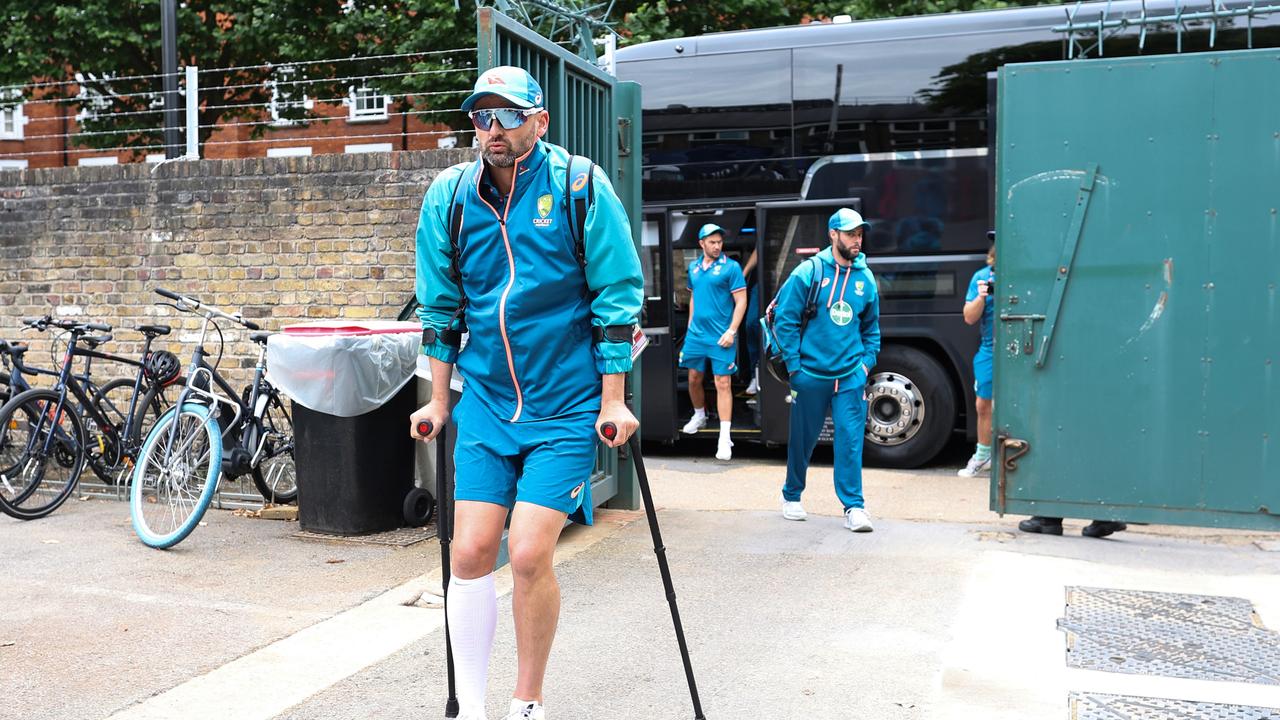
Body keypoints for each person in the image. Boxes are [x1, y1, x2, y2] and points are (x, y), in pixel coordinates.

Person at [409, 66, 644, 720]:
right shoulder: (451, 198)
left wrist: (613, 398)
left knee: (530, 551)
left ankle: (528, 700)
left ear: (540, 122)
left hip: (566, 405)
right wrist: (437, 399)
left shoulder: (579, 186)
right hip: (486, 402)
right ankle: (474, 707)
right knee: (470, 549)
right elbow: (441, 307)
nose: (493, 129)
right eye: (482, 116)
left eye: (508, 115)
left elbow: (617, 294)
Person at [774, 208, 880, 533]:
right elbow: (785, 320)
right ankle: (792, 495)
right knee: (803, 440)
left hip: (850, 375)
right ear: (833, 235)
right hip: (810, 374)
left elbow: (871, 329)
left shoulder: (866, 277)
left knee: (850, 440)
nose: (857, 240)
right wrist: (795, 368)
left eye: (860, 234)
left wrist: (864, 366)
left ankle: (854, 506)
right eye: (850, 234)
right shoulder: (808, 272)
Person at [678, 223, 747, 461]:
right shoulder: (694, 268)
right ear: (702, 244)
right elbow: (695, 296)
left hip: (721, 337)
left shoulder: (732, 268)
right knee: (694, 378)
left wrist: (732, 331)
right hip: (697, 335)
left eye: (719, 242)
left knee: (723, 383)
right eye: (712, 242)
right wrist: (689, 327)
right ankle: (700, 415)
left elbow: (741, 301)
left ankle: (724, 437)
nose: (717, 246)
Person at [958, 234, 996, 477]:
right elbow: (969, 317)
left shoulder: (1026, 272)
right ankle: (983, 456)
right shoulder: (982, 276)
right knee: (983, 404)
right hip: (990, 348)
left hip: (1020, 346)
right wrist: (982, 296)